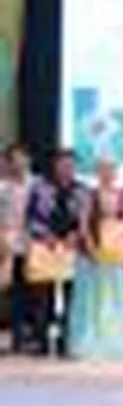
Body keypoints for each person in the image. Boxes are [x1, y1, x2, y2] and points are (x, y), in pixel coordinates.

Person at [67, 158, 123, 359]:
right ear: (98, 173)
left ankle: (119, 336)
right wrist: (92, 248)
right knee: (96, 300)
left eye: (110, 170)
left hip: (118, 257)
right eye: (103, 170)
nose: (107, 173)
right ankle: (95, 337)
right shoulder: (90, 195)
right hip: (97, 257)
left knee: (119, 299)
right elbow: (83, 226)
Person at [26, 149, 88, 356]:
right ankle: (42, 340)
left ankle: (66, 342)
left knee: (71, 297)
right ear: (55, 166)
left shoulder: (81, 190)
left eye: (70, 165)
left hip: (71, 248)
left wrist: (76, 234)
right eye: (62, 165)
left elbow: (86, 219)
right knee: (43, 295)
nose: (66, 169)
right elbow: (30, 216)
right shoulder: (40, 187)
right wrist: (44, 234)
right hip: (45, 246)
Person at [0, 143, 34, 353]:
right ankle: (15, 337)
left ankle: (30, 335)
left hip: (33, 243)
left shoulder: (37, 184)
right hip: (7, 243)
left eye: (23, 157)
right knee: (11, 290)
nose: (19, 163)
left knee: (32, 290)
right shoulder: (3, 187)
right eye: (15, 159)